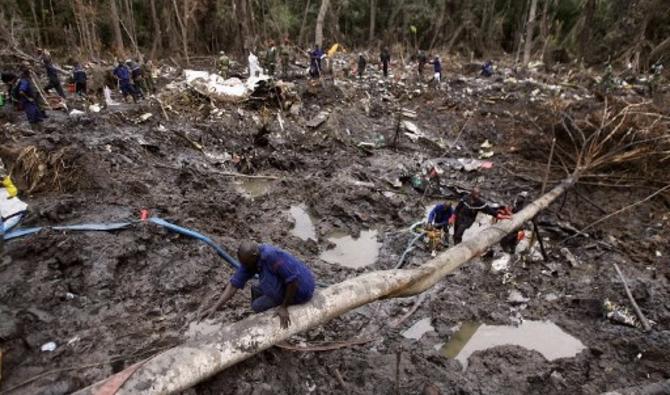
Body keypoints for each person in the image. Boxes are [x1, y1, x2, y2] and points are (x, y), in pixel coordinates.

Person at [201, 241, 316, 328]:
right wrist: (215, 307)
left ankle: (271, 322)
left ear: (255, 256)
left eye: (246, 263)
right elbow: (233, 285)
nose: (245, 267)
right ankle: (269, 308)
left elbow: (293, 281)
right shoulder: (250, 261)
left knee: (256, 306)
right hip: (287, 282)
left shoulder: (271, 257)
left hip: (302, 289)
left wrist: (284, 307)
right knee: (255, 288)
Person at [16, 67, 46, 131]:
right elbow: (21, 91)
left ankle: (41, 131)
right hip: (28, 102)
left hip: (32, 100)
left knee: (38, 114)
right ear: (28, 73)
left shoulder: (27, 79)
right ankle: (35, 131)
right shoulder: (24, 81)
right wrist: (28, 98)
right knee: (32, 116)